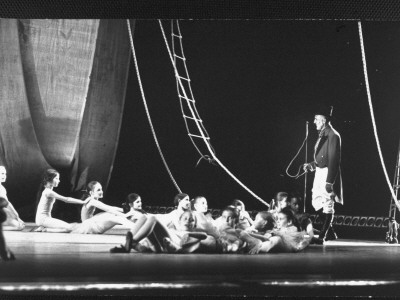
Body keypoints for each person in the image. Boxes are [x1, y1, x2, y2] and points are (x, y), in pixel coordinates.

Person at [303, 106, 342, 244]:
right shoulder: (324, 134)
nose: (314, 122)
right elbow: (321, 157)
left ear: (324, 120)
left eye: (316, 119)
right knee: (316, 201)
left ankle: (323, 236)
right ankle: (331, 233)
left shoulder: (333, 135)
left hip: (327, 173)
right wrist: (312, 165)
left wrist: (329, 181)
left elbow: (333, 160)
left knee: (327, 203)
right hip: (320, 171)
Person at [240, 207, 311, 254]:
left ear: (289, 222)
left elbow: (307, 237)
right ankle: (245, 241)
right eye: (277, 219)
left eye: (281, 219)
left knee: (276, 240)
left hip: (285, 244)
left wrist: (301, 245)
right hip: (274, 241)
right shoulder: (277, 228)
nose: (278, 221)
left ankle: (247, 244)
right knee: (272, 238)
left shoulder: (293, 229)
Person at [0, 166, 25, 231]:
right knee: (18, 226)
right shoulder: (1, 189)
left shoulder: (2, 188)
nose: (4, 176)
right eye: (2, 174)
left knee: (17, 224)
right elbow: (7, 204)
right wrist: (17, 216)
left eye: (5, 174)